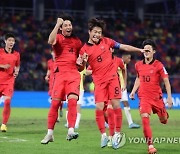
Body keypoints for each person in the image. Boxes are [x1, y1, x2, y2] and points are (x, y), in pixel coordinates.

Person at [77, 18, 144, 149]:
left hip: (113, 79)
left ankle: (117, 134)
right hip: (99, 82)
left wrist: (139, 50)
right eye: (95, 32)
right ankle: (103, 135)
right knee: (99, 108)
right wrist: (81, 62)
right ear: (89, 32)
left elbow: (123, 46)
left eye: (99, 32)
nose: (97, 35)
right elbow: (81, 69)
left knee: (115, 105)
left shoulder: (107, 41)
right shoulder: (84, 49)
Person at [41, 14, 83, 144]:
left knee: (72, 102)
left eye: (70, 25)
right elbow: (49, 41)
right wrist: (57, 24)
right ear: (61, 28)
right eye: (65, 25)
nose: (68, 27)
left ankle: (71, 130)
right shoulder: (58, 37)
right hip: (60, 76)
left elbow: (81, 67)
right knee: (54, 104)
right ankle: (49, 134)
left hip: (73, 75)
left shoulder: (77, 42)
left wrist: (81, 63)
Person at [129, 39, 173, 154]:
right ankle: (150, 146)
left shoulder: (159, 65)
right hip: (144, 97)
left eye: (149, 50)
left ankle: (164, 114)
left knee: (163, 120)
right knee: (144, 118)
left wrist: (169, 97)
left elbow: (166, 81)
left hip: (156, 98)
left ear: (154, 51)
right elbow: (138, 78)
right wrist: (133, 91)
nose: (146, 51)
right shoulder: (138, 65)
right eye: (145, 50)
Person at [0, 33, 20, 132]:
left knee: (7, 101)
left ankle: (4, 124)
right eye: (9, 40)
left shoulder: (17, 54)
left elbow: (17, 66)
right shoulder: (0, 52)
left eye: (13, 41)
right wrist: (2, 66)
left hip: (9, 81)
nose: (11, 42)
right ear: (5, 41)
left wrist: (16, 71)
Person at [119, 53, 140, 129]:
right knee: (112, 105)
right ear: (123, 57)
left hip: (122, 87)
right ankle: (106, 122)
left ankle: (130, 123)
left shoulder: (124, 64)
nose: (129, 60)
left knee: (125, 103)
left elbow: (125, 74)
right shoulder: (117, 62)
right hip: (115, 87)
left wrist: (124, 84)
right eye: (128, 58)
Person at [45, 50, 63, 122]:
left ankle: (60, 110)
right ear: (51, 53)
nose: (54, 54)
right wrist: (47, 76)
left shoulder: (60, 61)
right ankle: (57, 116)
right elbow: (49, 69)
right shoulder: (49, 62)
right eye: (53, 52)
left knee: (59, 100)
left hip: (59, 81)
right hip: (52, 82)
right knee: (53, 99)